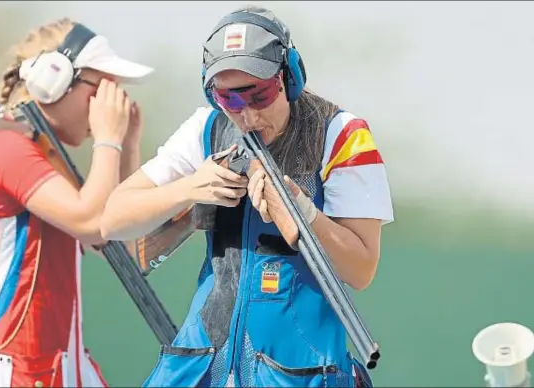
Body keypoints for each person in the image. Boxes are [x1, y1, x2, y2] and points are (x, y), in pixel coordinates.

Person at [100, 5, 393, 388]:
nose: (247, 115)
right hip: (206, 365)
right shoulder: (206, 128)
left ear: (289, 77)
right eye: (229, 99)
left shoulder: (342, 134)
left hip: (297, 371)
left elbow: (361, 268)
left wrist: (303, 213)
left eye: (260, 95)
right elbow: (113, 219)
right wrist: (191, 188)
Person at [0, 18, 154, 388]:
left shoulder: (45, 156)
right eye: (102, 88)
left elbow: (118, 243)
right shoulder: (5, 149)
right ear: (54, 79)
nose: (110, 104)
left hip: (55, 366)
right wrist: (108, 140)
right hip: (12, 367)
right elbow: (91, 221)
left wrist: (127, 146)